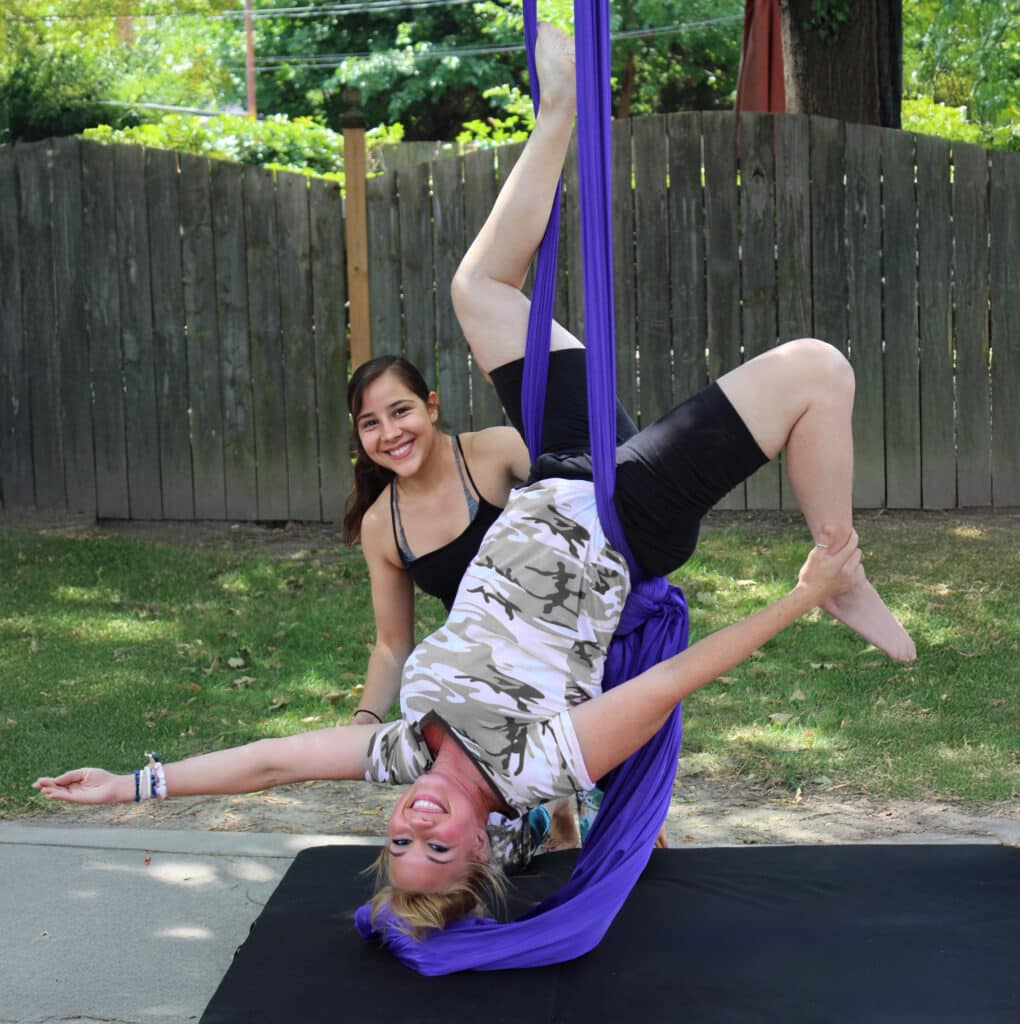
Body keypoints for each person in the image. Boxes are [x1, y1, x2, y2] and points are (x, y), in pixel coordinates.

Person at [34, 22, 914, 938]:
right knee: (817, 370)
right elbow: (665, 688)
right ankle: (841, 566)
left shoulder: (401, 749)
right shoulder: (533, 769)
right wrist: (802, 598)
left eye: (399, 843)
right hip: (621, 522)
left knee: (478, 291)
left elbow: (269, 763)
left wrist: (132, 786)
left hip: (560, 475)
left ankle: (562, 111)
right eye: (438, 847)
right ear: (483, 848)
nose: (416, 824)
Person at [341, 355, 529, 727]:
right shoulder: (381, 524)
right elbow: (392, 646)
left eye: (400, 411)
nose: (389, 433)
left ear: (431, 407)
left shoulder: (498, 453)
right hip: (491, 686)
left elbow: (583, 496)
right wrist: (364, 718)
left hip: (573, 642)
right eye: (370, 423)